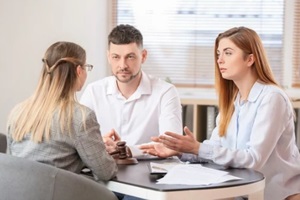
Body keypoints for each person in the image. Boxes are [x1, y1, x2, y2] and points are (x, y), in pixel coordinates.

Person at [140, 27, 300, 200]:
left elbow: (254, 159)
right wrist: (180, 151)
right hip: (240, 192)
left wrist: (197, 148)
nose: (220, 60)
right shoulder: (233, 102)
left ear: (250, 59)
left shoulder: (272, 98)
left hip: (274, 194)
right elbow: (215, 150)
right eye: (218, 54)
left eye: (228, 53)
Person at [6, 41, 118, 183]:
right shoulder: (80, 117)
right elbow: (105, 172)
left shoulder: (18, 112)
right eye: (86, 68)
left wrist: (92, 148)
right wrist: (98, 154)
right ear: (79, 71)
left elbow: (14, 163)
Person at [80, 24, 182, 156]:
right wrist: (100, 143)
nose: (122, 65)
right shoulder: (93, 91)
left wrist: (124, 150)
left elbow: (171, 145)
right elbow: (80, 140)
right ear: (108, 57)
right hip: (106, 169)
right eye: (116, 57)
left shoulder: (165, 92)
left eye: (130, 57)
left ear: (143, 56)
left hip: (149, 171)